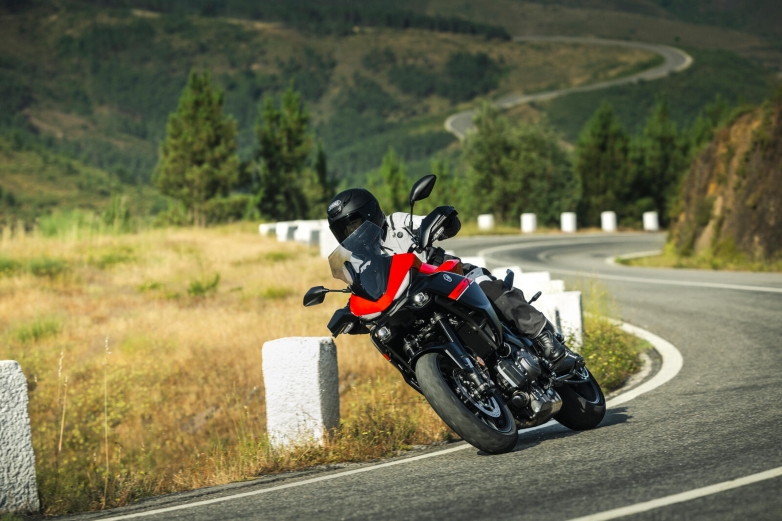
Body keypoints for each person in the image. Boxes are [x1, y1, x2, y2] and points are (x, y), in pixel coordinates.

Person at [326, 188, 583, 374]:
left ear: (370, 214)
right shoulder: (357, 261)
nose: (352, 233)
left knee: (489, 288)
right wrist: (353, 313)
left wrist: (442, 222)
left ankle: (546, 340)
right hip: (410, 305)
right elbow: (365, 291)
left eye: (354, 225)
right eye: (344, 230)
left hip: (446, 275)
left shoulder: (397, 223)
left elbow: (427, 224)